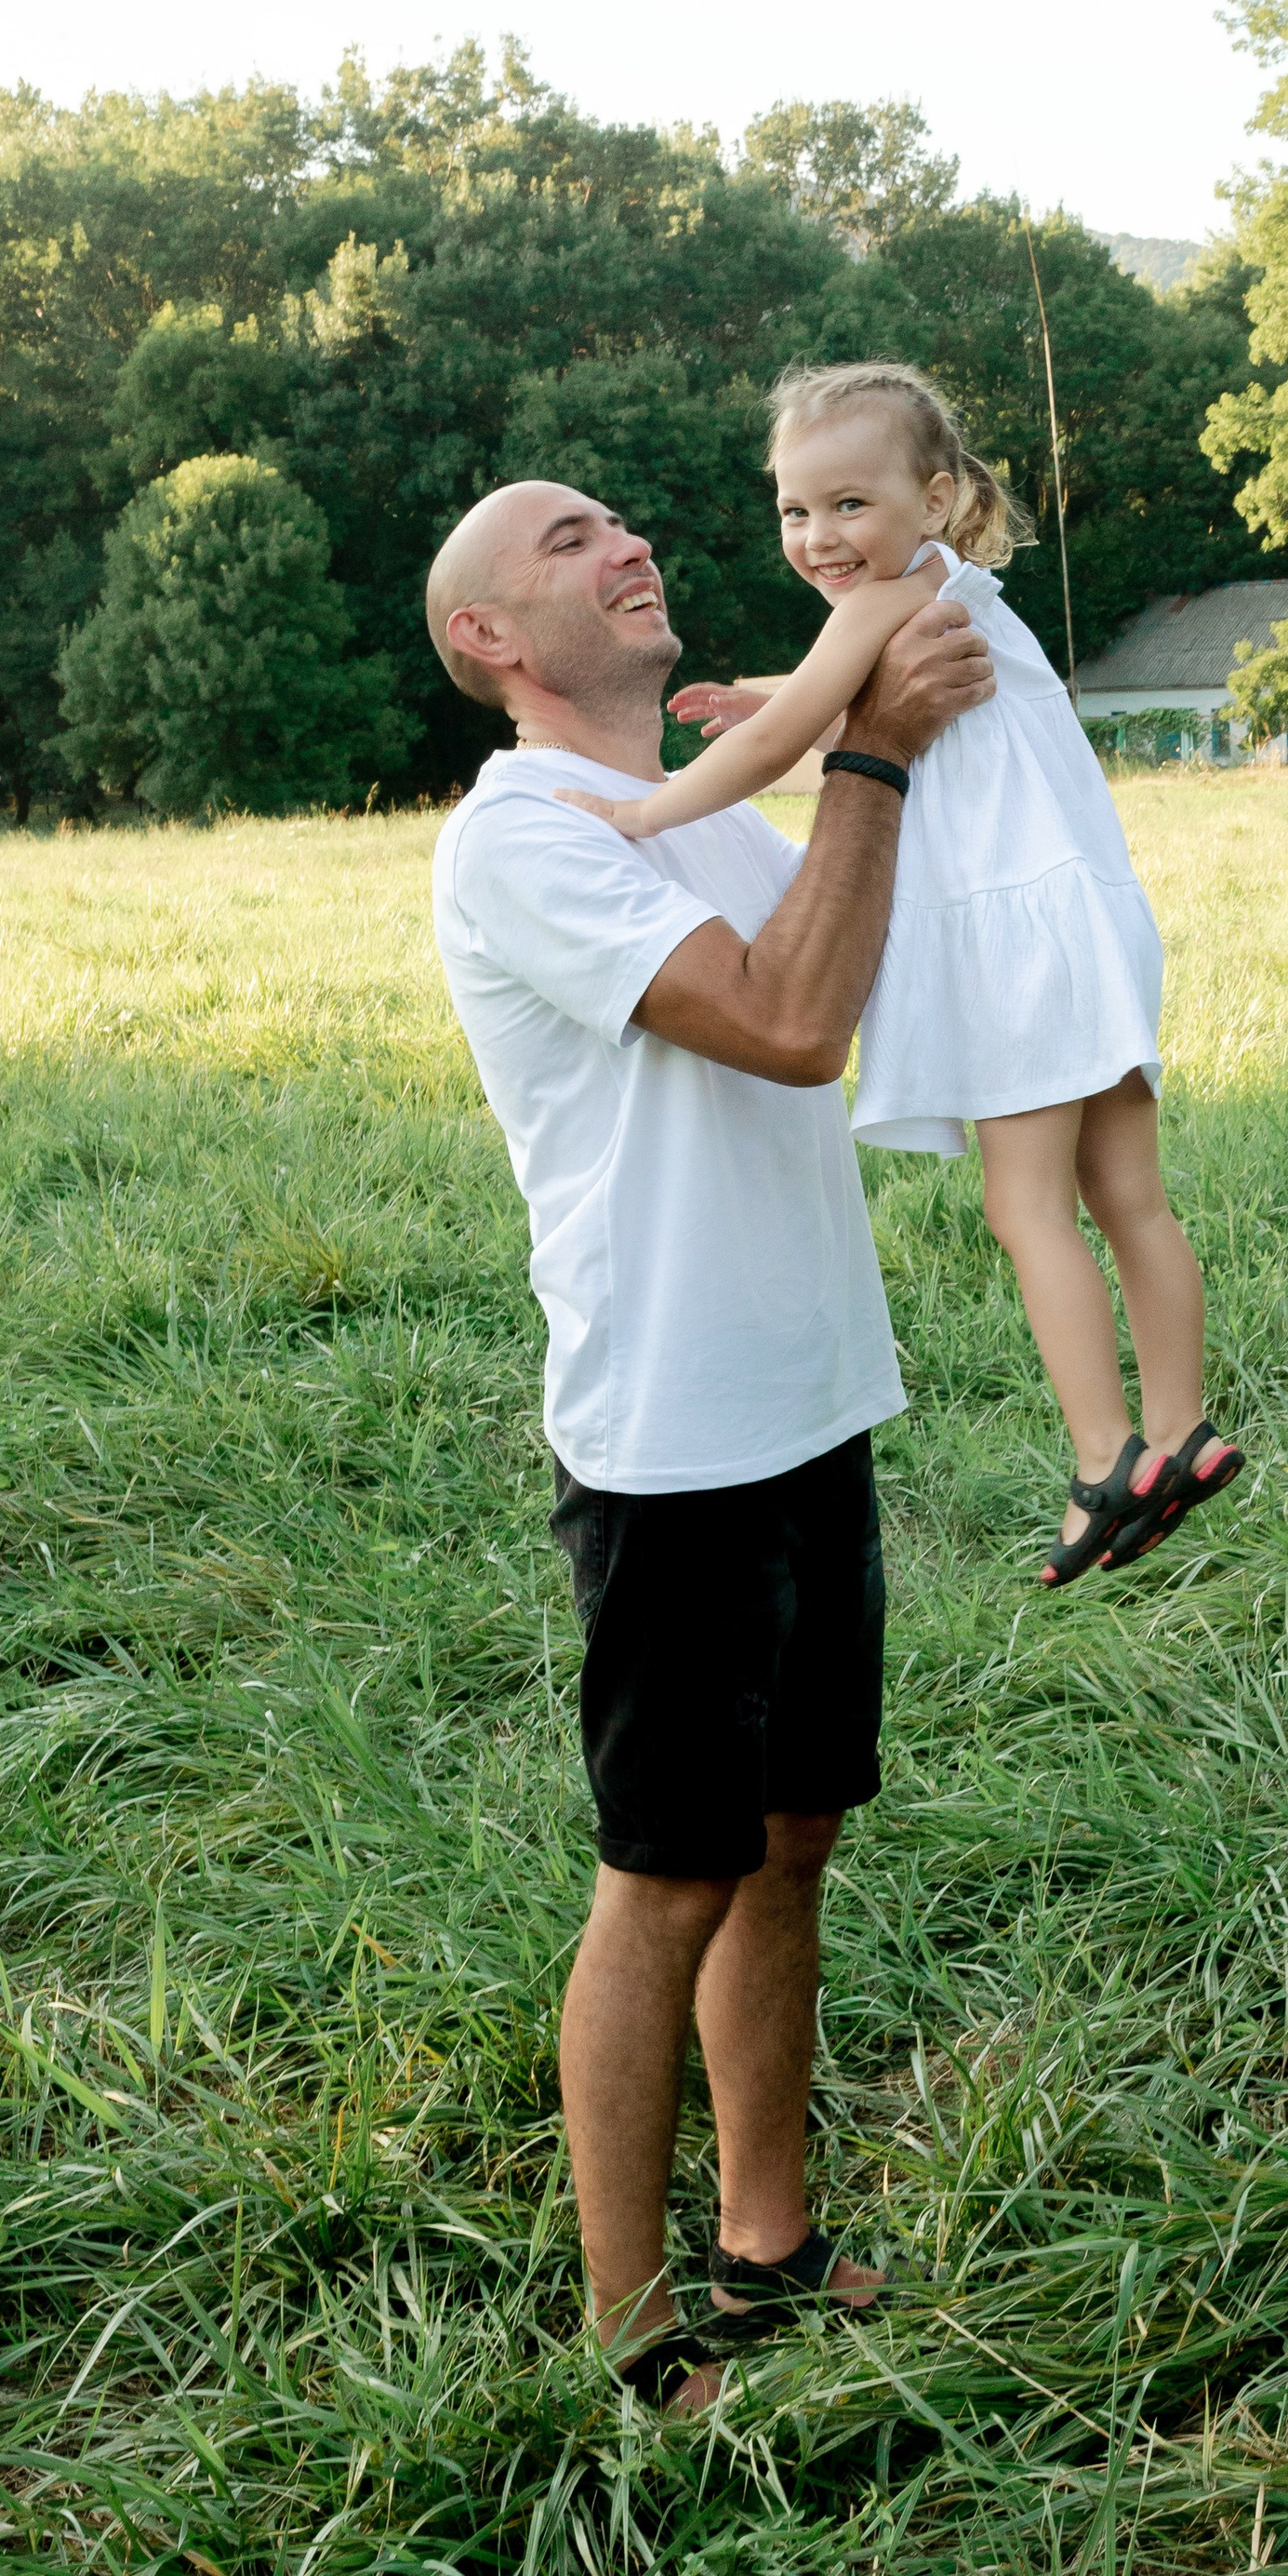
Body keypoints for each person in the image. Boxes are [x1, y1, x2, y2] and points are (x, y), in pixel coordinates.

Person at [425, 474, 994, 2413]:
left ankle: (766, 2241)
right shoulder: (523, 841)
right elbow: (786, 1023)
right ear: (492, 640)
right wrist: (871, 758)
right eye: (564, 541)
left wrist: (885, 738)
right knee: (665, 1874)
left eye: (616, 524)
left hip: (809, 1398)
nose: (620, 544)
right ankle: (628, 2329)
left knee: (789, 1847)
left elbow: (883, 970)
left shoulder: (704, 823)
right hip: (667, 1441)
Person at [561, 360, 1242, 1588]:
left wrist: (650, 813)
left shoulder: (877, 604)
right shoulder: (953, 587)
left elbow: (790, 740)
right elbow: (854, 711)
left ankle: (1106, 1459)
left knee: (1025, 1205)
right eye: (795, 510)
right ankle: (1184, 1430)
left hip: (1007, 937)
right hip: (1088, 918)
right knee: (1130, 1195)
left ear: (932, 498)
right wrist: (771, 693)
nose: (820, 537)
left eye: (849, 505)